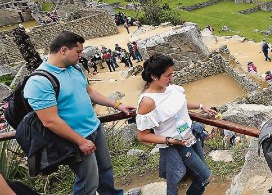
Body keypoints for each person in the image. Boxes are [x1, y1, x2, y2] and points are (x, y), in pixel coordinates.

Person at [23, 31, 134, 195]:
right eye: (78, 52)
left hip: (94, 128)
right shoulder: (40, 81)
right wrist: (80, 141)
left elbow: (89, 92)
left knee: (105, 169)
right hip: (75, 138)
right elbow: (50, 120)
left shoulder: (73, 68)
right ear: (63, 50)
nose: (81, 56)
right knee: (88, 181)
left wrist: (117, 104)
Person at [135, 54, 217, 195]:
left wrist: (201, 106)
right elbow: (142, 136)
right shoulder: (148, 101)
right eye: (168, 75)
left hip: (189, 136)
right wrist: (171, 141)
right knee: (205, 177)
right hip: (177, 144)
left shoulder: (169, 87)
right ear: (154, 76)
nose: (171, 79)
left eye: (172, 74)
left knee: (200, 174)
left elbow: (181, 104)